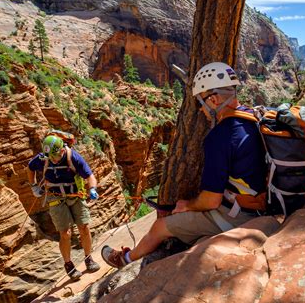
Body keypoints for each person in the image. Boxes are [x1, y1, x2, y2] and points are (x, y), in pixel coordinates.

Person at [101, 62, 268, 268]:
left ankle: (124, 260)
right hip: (261, 201)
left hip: (239, 215)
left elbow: (211, 201)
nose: (201, 110)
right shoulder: (253, 117)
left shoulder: (220, 136)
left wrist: (186, 205)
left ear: (213, 100)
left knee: (159, 227)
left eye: (200, 104)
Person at [27, 134, 101, 280]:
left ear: (61, 151)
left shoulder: (73, 157)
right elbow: (30, 167)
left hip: (75, 194)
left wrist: (92, 188)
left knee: (84, 227)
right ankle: (69, 265)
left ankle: (88, 259)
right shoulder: (44, 158)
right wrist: (34, 186)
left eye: (54, 157)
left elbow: (90, 176)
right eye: (50, 157)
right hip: (55, 196)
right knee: (65, 233)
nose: (52, 160)